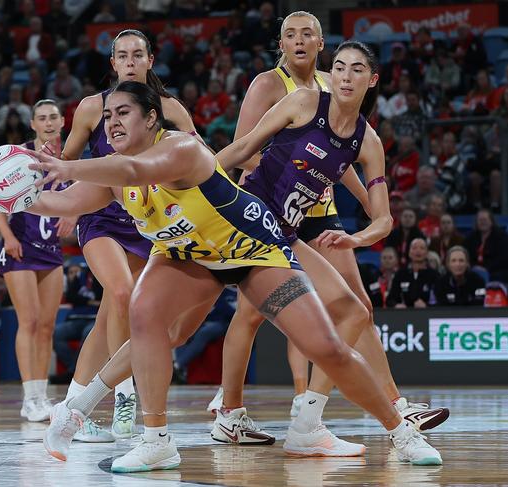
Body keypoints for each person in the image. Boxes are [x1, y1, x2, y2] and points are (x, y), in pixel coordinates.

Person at [25, 80, 441, 470]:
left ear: (151, 118)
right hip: (190, 255)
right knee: (145, 312)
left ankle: (401, 431)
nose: (112, 122)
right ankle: (156, 440)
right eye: (108, 116)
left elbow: (135, 172)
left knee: (327, 348)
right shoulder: (114, 171)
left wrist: (69, 167)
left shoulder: (182, 149)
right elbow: (68, 202)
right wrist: (18, 198)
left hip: (253, 249)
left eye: (123, 113)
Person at [208, 13, 448, 451]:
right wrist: (201, 180)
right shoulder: (278, 89)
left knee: (356, 309)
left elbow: (343, 162)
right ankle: (229, 411)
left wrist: (361, 211)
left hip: (308, 216)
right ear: (280, 43)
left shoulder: (342, 102)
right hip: (254, 212)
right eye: (289, 35)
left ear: (322, 44)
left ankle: (338, 410)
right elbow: (242, 148)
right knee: (235, 316)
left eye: (307, 35)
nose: (298, 42)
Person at [55, 29, 198, 441]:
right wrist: (64, 194)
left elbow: (199, 164)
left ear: (150, 60)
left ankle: (71, 408)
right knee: (122, 294)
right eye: (122, 55)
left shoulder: (170, 109)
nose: (130, 61)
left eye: (138, 54)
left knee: (109, 318)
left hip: (147, 220)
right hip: (100, 215)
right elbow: (67, 163)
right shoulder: (89, 108)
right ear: (113, 63)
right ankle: (124, 396)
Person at [0, 99, 71, 422]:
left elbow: (89, 191)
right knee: (30, 321)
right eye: (42, 118)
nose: (49, 123)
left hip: (51, 248)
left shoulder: (69, 157)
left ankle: (42, 396)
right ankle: (29, 398)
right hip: (19, 245)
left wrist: (74, 214)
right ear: (33, 124)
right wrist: (7, 236)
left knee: (48, 325)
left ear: (63, 122)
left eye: (53, 117)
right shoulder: (18, 156)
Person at [386, 238, 439, 308]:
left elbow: (441, 301)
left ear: (427, 253)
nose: (418, 251)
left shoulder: (434, 275)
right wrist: (396, 305)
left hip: (428, 315)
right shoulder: (400, 274)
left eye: (422, 248)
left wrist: (427, 306)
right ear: (409, 253)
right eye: (414, 248)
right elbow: (390, 300)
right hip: (404, 316)